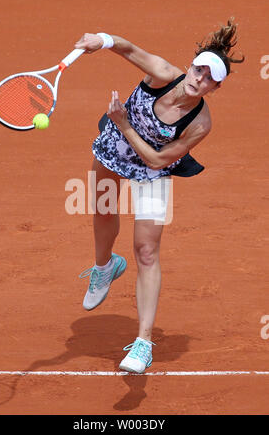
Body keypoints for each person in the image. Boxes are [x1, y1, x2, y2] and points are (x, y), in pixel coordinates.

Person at [75, 19, 244, 374]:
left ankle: (143, 342)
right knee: (102, 211)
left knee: (147, 251)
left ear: (216, 87)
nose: (200, 79)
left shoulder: (200, 123)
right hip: (114, 150)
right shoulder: (163, 73)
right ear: (191, 66)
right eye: (199, 70)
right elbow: (129, 49)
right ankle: (105, 267)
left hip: (152, 171)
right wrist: (100, 39)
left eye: (210, 78)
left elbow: (155, 159)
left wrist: (123, 123)